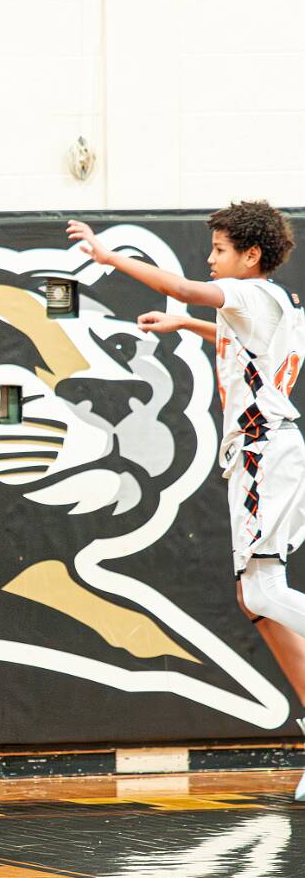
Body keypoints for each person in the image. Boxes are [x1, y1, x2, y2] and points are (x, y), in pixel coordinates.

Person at [67, 201, 305, 797]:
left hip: (262, 452)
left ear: (250, 255)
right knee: (258, 604)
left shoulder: (247, 294)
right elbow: (234, 339)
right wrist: (186, 327)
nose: (210, 258)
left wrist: (106, 256)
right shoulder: (271, 302)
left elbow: (181, 287)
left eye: (220, 249)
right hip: (267, 453)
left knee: (262, 593)